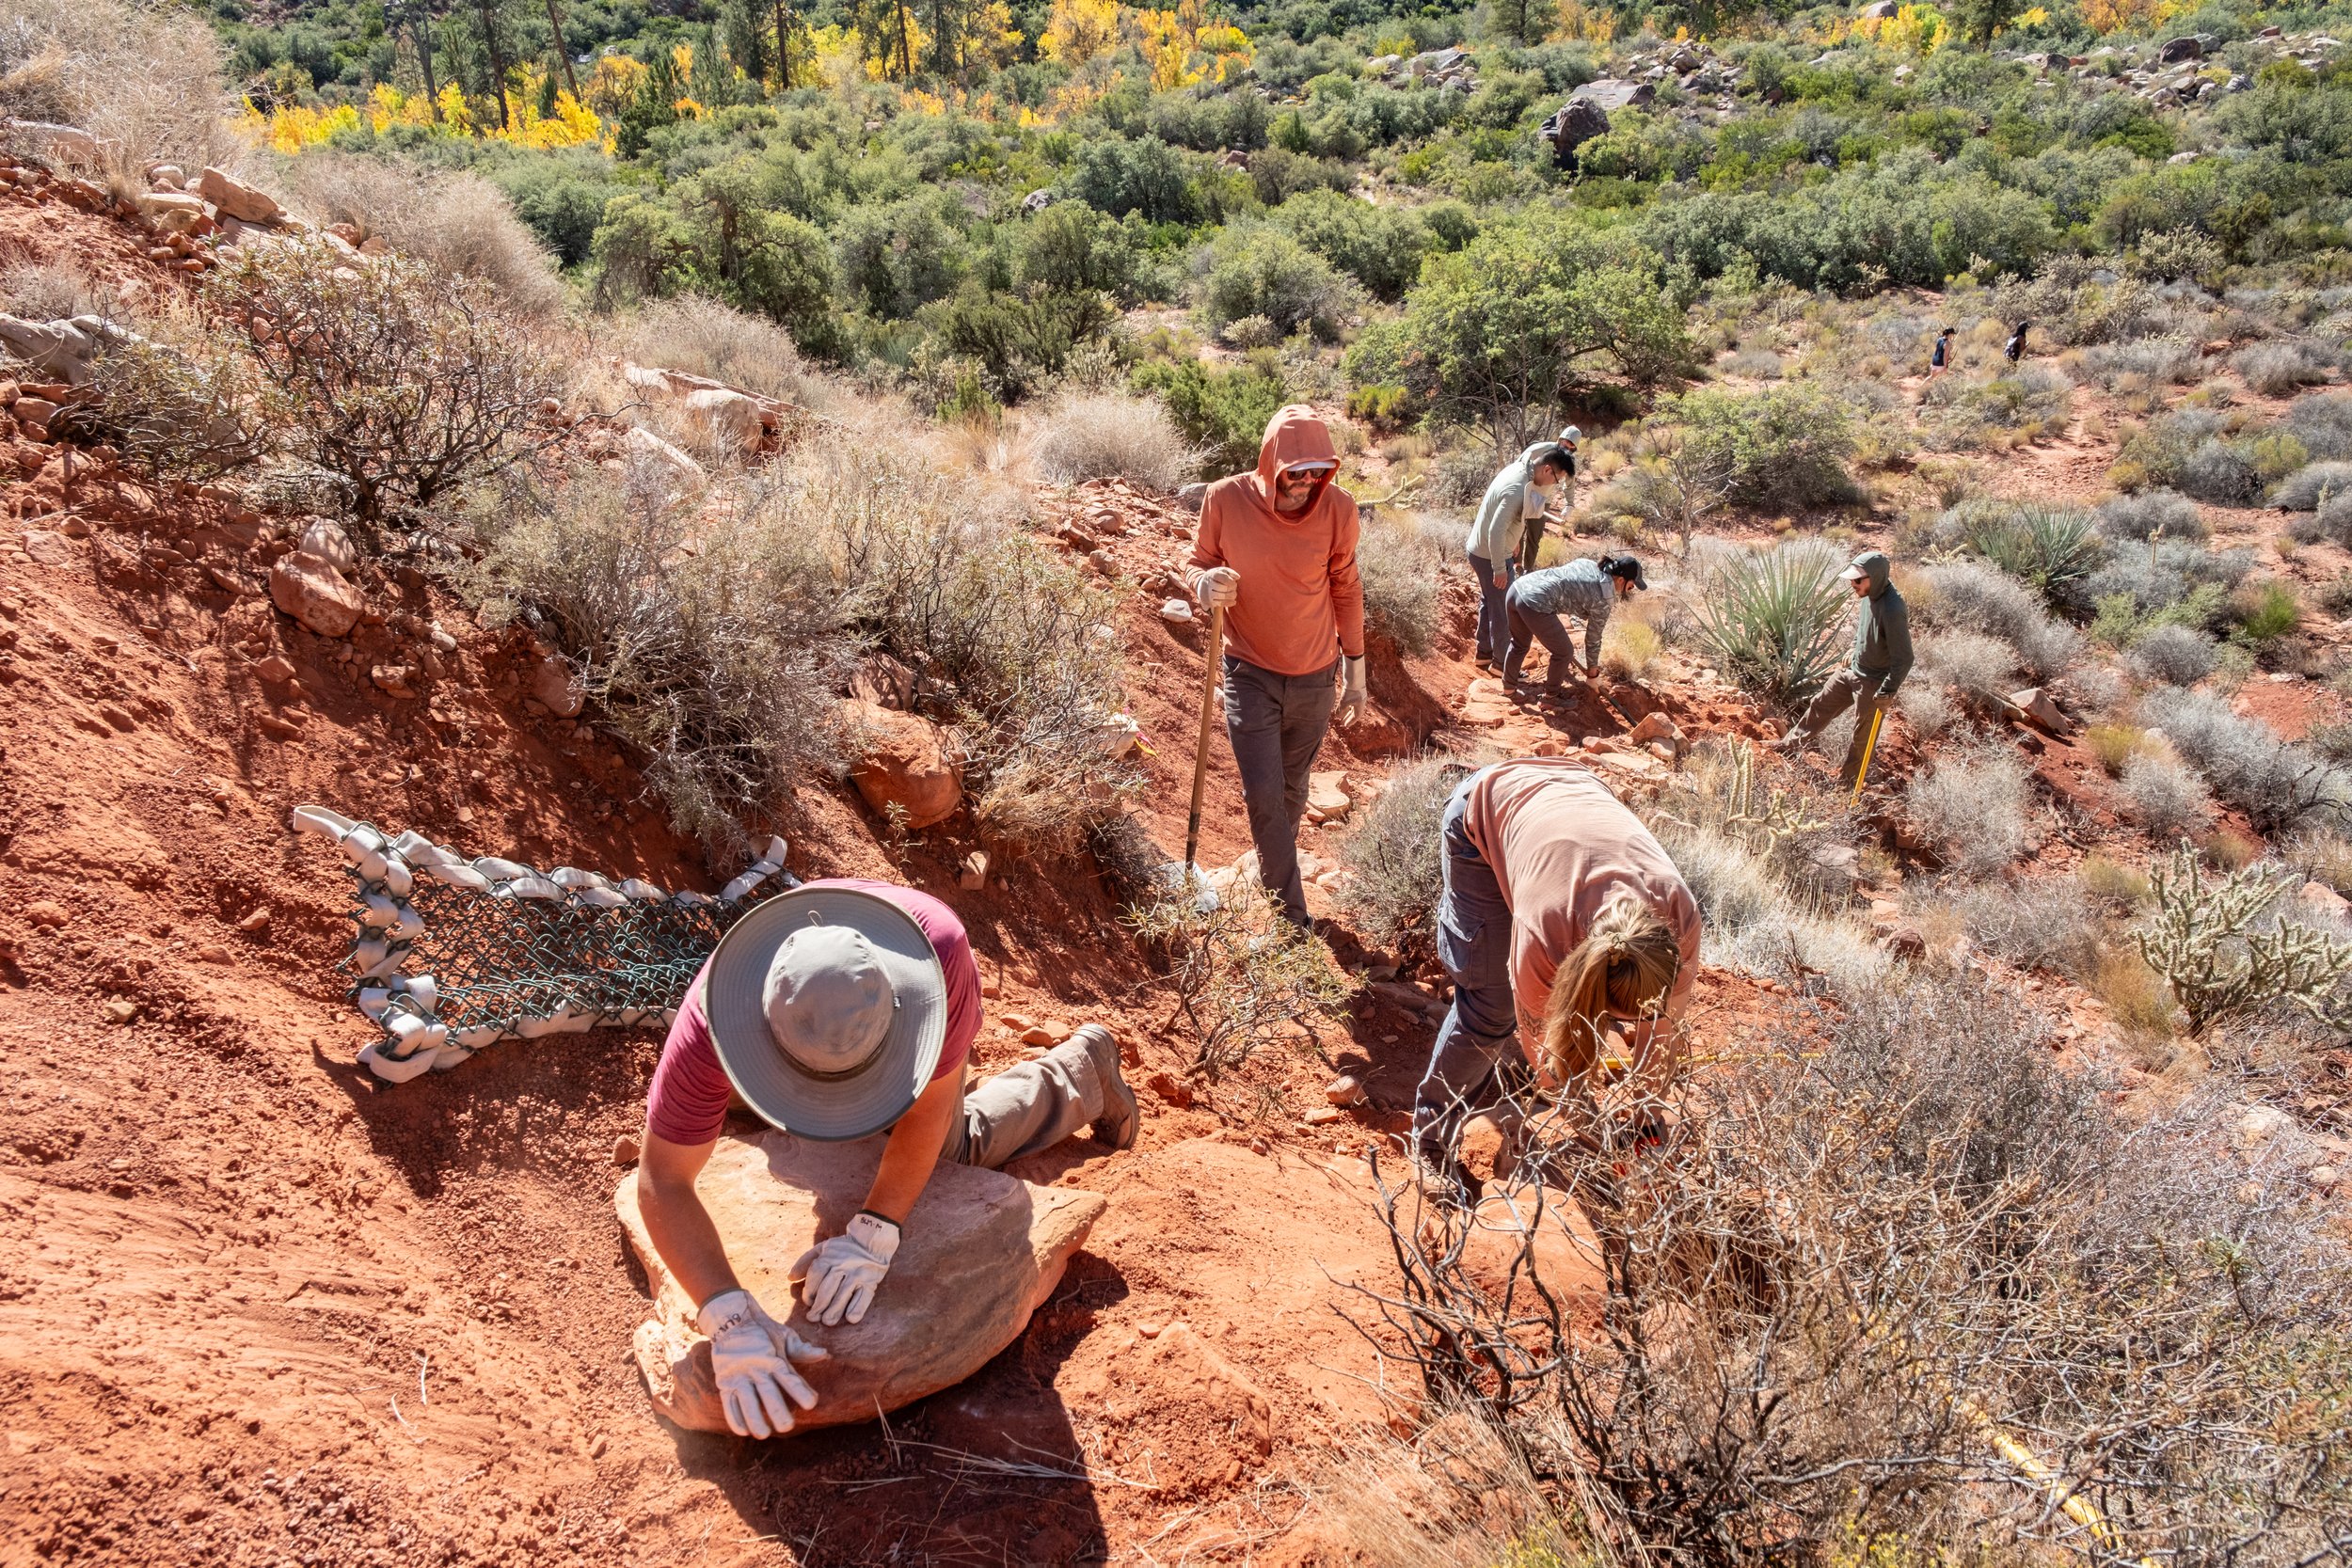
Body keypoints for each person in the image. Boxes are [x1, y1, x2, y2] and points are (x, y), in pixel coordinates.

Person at [635, 879, 1138, 1439]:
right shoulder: (712, 1025)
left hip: (920, 981)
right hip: (788, 1025)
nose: (837, 1109)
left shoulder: (939, 962)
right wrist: (725, 1312)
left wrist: (878, 1228)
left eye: (857, 1087)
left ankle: (1078, 1072)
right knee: (750, 1123)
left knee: (949, 1149)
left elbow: (927, 1112)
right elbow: (662, 1177)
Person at [1409, 759, 1702, 1192]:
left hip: (1578, 788)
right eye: (1612, 1016)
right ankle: (1430, 1141)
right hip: (1489, 808)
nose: (1620, 1026)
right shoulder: (1544, 935)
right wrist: (1596, 1131)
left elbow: (1662, 1036)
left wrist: (1645, 1127)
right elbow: (1547, 1064)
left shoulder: (1680, 920)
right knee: (1491, 1008)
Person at [1190, 405, 1369, 927]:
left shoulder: (1338, 510)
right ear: (1272, 463)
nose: (1308, 483)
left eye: (1319, 472)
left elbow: (1347, 589)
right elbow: (1198, 561)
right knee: (1265, 797)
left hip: (1316, 675)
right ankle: (1291, 920)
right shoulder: (1225, 498)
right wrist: (1204, 585)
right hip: (1250, 672)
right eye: (1298, 471)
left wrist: (1355, 674)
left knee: (1292, 792)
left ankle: (1275, 876)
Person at [1776, 549, 1913, 789]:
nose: (1853, 584)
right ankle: (1789, 746)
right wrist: (1853, 649)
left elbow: (1905, 658)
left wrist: (1888, 690)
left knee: (1862, 738)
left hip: (1874, 682)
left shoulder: (1893, 609)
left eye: (1858, 579)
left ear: (1876, 577)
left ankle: (1848, 787)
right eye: (1852, 579)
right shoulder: (1868, 596)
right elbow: (1864, 631)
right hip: (1852, 670)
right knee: (1820, 705)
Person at [1464, 439, 1576, 672]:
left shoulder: (1522, 467)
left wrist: (1512, 542)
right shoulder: (1517, 488)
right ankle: (1502, 665)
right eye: (1556, 479)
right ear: (1547, 469)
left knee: (1490, 601)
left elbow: (1506, 523)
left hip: (1479, 549)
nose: (1553, 484)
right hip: (1490, 554)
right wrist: (1499, 569)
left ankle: (1484, 654)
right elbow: (1496, 530)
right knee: (1504, 610)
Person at [1501, 552, 1646, 698]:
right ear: (1621, 580)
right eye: (1632, 586)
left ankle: (1509, 688)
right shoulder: (1604, 598)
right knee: (1564, 653)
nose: (1631, 590)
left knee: (1519, 644)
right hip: (1535, 602)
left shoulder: (1590, 564)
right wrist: (1593, 673)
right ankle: (1551, 697)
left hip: (1517, 588)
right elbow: (1593, 639)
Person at [1514, 426, 1581, 578]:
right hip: (1525, 495)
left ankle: (1528, 570)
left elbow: (1570, 484)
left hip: (1543, 502)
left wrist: (1569, 504)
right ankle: (1516, 566)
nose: (1568, 447)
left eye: (1572, 447)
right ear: (1560, 439)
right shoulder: (1539, 449)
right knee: (1517, 532)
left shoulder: (1569, 461)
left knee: (1534, 536)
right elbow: (1518, 465)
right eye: (1566, 442)